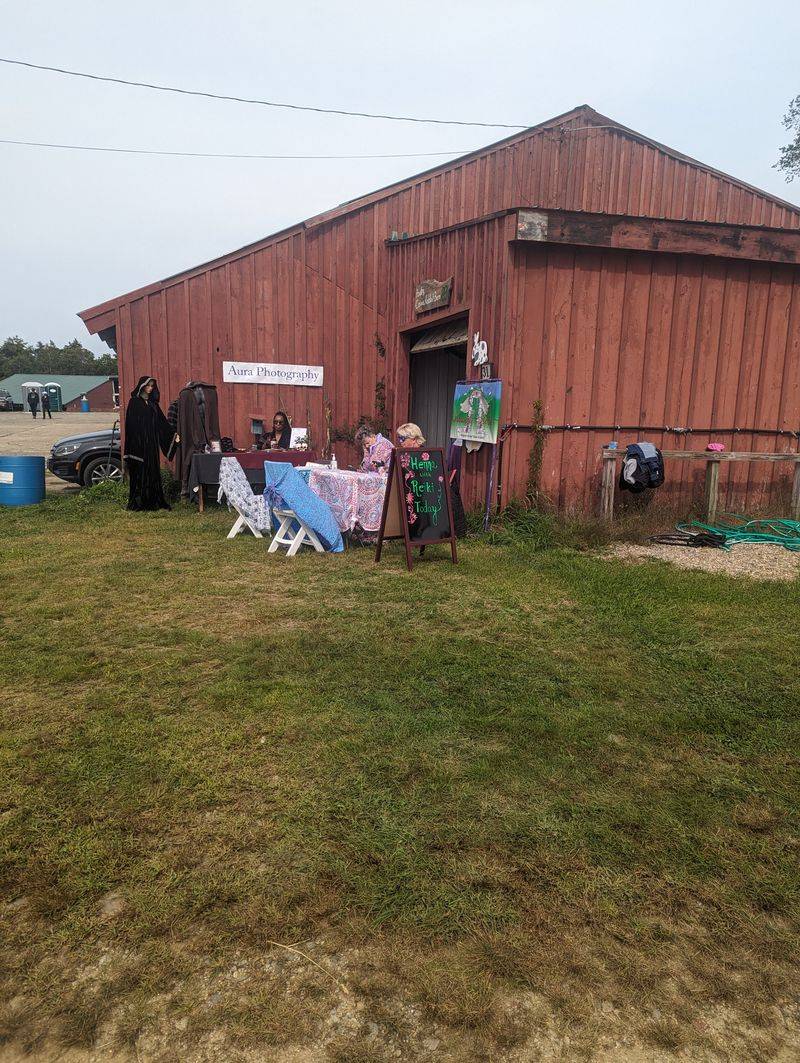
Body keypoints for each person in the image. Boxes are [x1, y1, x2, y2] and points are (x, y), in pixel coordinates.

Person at [124, 376, 179, 511]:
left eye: (152, 386)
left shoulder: (154, 404)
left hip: (151, 445)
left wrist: (173, 435)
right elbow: (130, 426)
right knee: (140, 473)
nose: (150, 389)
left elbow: (162, 424)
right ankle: (139, 502)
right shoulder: (134, 403)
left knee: (153, 472)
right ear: (142, 386)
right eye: (148, 386)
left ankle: (154, 501)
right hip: (138, 446)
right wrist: (135, 444)